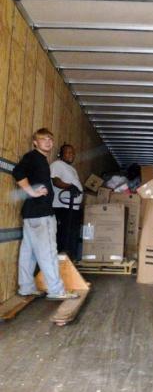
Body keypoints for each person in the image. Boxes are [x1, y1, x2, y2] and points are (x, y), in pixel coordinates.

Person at [12, 128, 78, 300]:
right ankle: (57, 290)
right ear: (35, 142)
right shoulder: (34, 157)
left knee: (30, 252)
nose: (48, 142)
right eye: (44, 139)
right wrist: (32, 192)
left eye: (50, 139)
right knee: (48, 251)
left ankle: (25, 287)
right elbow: (18, 172)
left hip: (31, 214)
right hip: (41, 213)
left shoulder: (40, 160)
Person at [50, 144, 83, 261]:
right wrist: (69, 187)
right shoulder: (57, 164)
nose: (71, 155)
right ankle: (60, 262)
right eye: (68, 152)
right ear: (61, 154)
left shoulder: (72, 169)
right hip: (62, 207)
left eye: (73, 153)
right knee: (64, 236)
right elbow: (55, 181)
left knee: (71, 236)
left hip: (73, 207)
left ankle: (69, 262)